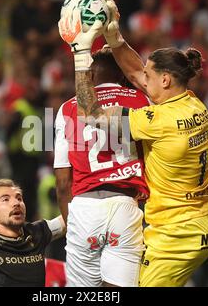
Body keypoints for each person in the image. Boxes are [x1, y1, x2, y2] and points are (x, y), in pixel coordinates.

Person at [58, 0, 208, 286]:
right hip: (205, 221)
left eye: (149, 74)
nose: (141, 78)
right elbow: (134, 72)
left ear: (166, 80)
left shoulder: (158, 121)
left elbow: (90, 112)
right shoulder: (194, 103)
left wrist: (81, 54)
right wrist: (115, 36)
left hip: (177, 235)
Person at [53, 47, 150, 287]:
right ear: (122, 75)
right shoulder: (141, 100)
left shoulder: (68, 108)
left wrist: (71, 223)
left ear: (92, 76)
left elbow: (63, 182)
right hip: (125, 205)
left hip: (85, 208)